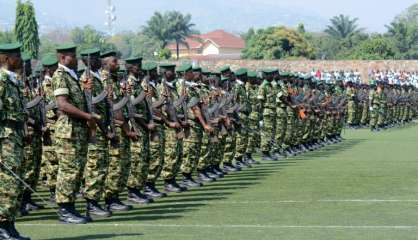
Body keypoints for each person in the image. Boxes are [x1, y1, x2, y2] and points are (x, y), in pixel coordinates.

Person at [52, 43, 97, 224]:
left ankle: (71, 206)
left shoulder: (73, 76)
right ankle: (64, 209)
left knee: (77, 170)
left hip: (77, 130)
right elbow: (62, 104)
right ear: (63, 58)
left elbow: (78, 100)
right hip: (68, 130)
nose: (76, 59)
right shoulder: (60, 75)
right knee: (68, 170)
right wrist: (87, 116)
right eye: (72, 56)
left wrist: (86, 90)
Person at [0, 42, 31, 240]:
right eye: (16, 56)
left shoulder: (15, 80)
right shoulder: (1, 80)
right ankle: (2, 226)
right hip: (5, 139)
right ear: (5, 58)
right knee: (7, 184)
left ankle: (10, 224)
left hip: (16, 137)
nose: (20, 60)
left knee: (15, 185)